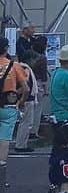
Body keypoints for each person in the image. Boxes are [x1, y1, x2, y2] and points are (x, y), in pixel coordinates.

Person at [13, 34, 49, 151]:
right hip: (27, 98)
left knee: (27, 122)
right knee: (26, 122)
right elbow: (26, 87)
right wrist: (23, 99)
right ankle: (21, 145)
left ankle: (22, 143)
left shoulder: (20, 67)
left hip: (26, 98)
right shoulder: (26, 69)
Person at [0, 35, 29, 164]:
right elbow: (26, 88)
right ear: (6, 48)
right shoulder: (14, 65)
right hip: (8, 106)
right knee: (5, 139)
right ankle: (1, 173)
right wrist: (20, 102)